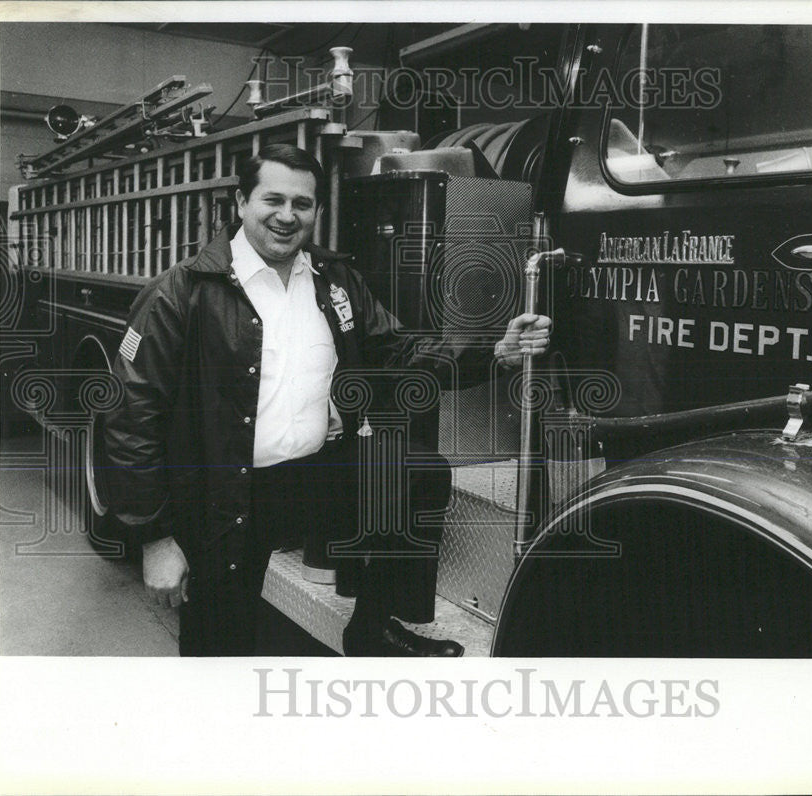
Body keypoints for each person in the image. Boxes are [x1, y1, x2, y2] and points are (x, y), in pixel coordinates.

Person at [105, 143, 551, 656]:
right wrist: (155, 538)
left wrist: (494, 350)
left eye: (303, 204)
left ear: (317, 211)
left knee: (412, 473)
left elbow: (397, 350)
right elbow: (130, 416)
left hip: (309, 477)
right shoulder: (181, 292)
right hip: (222, 494)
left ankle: (372, 631)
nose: (287, 216)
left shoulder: (332, 279)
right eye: (273, 200)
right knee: (220, 646)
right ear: (241, 202)